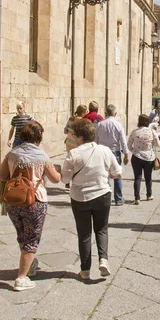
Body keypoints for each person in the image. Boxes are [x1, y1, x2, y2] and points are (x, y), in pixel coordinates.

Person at [0, 121, 61, 291]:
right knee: (32, 239)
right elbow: (55, 179)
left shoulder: (12, 154)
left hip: (13, 201)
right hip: (35, 200)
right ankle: (21, 278)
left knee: (22, 235)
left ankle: (30, 266)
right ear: (39, 137)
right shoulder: (42, 155)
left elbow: (1, 175)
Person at [60, 119, 122, 280]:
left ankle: (85, 269)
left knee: (84, 233)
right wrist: (105, 174)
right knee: (102, 229)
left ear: (79, 137)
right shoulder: (104, 150)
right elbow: (117, 172)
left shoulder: (73, 154)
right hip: (102, 194)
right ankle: (103, 259)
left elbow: (65, 179)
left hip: (80, 198)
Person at [95, 105, 130, 206]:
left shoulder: (100, 125)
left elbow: (96, 140)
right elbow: (123, 141)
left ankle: (107, 197)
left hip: (102, 152)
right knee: (117, 174)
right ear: (115, 114)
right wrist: (126, 154)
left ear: (105, 113)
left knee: (104, 175)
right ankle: (118, 199)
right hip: (115, 152)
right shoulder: (118, 125)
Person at [128, 114, 158, 204]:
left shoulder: (134, 132)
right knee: (148, 177)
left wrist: (134, 151)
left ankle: (137, 197)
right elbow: (159, 144)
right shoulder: (152, 132)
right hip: (149, 157)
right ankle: (149, 195)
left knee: (137, 177)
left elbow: (129, 145)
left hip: (136, 157)